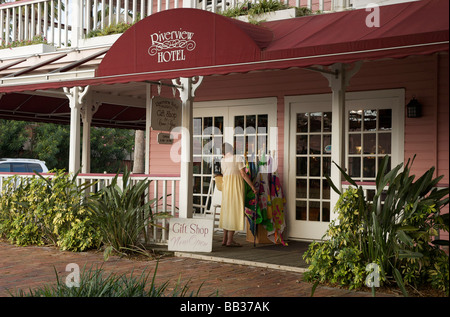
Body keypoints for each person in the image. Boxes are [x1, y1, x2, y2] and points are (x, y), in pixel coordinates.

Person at [219, 142, 257, 247]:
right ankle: (230, 241)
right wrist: (252, 186)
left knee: (227, 212)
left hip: (226, 189)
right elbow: (243, 174)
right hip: (235, 188)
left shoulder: (222, 160)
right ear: (231, 149)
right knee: (234, 212)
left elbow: (224, 174)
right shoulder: (237, 158)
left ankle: (224, 239)